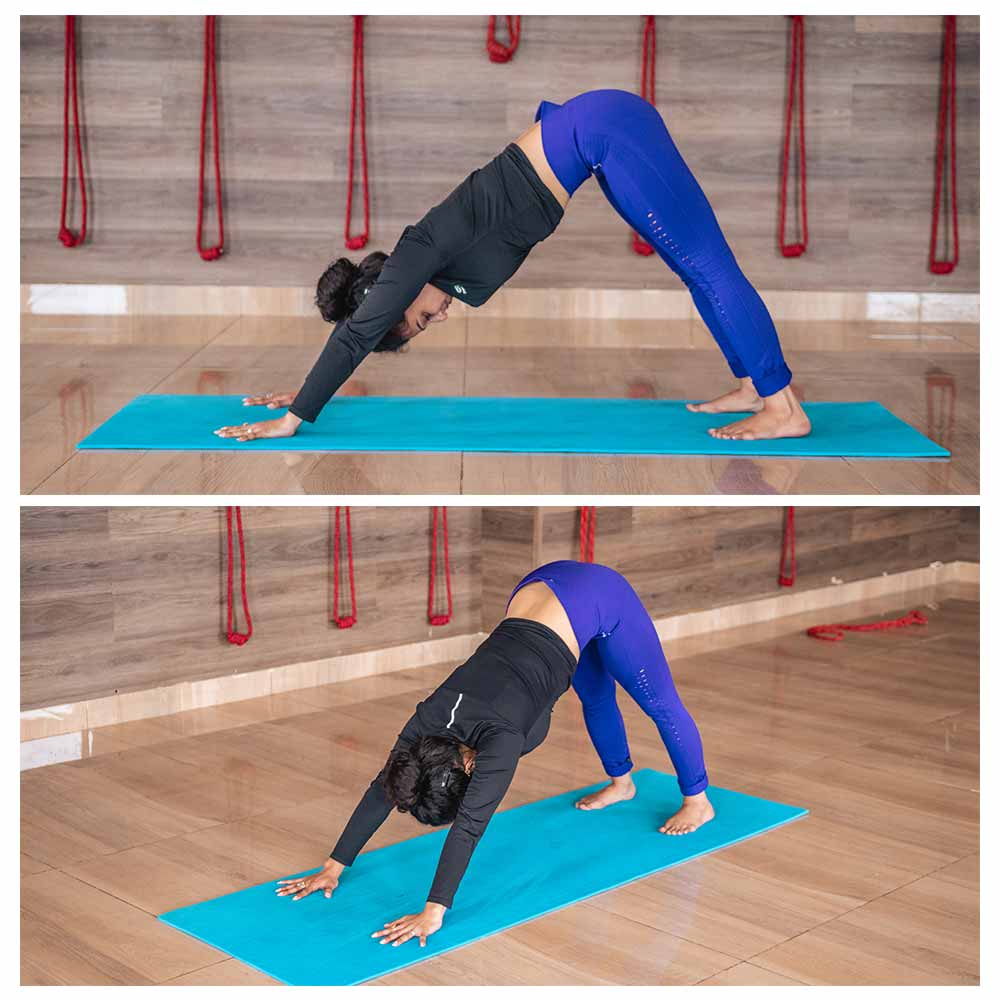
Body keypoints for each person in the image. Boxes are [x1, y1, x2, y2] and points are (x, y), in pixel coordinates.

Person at [216, 89, 809, 447]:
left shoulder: (416, 250)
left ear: (393, 296)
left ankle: (783, 407)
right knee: (694, 268)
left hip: (605, 132)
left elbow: (362, 329)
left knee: (708, 265)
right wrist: (307, 387)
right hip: (598, 139)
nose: (437, 318)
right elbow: (362, 333)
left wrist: (296, 417)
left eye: (420, 320)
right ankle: (754, 385)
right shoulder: (436, 266)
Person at [276, 560, 714, 949]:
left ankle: (698, 801)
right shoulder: (425, 724)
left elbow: (468, 827)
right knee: (594, 699)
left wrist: (434, 910)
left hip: (597, 594)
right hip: (537, 591)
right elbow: (385, 788)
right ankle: (622, 784)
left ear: (468, 765)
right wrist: (334, 866)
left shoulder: (499, 740)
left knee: (659, 703)